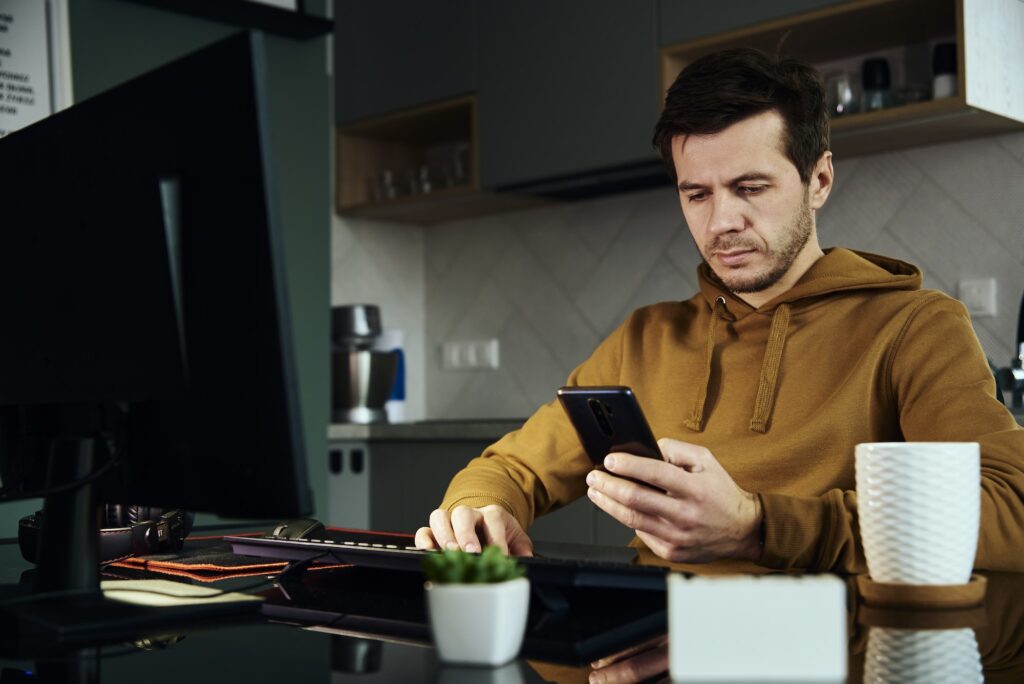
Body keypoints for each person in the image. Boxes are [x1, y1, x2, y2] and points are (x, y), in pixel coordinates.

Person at [414, 48, 1024, 573]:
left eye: (750, 188)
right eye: (697, 194)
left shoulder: (914, 327)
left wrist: (759, 526)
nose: (721, 221)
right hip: (657, 646)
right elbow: (513, 469)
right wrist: (476, 511)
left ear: (819, 180)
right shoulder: (646, 339)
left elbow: (1010, 509)